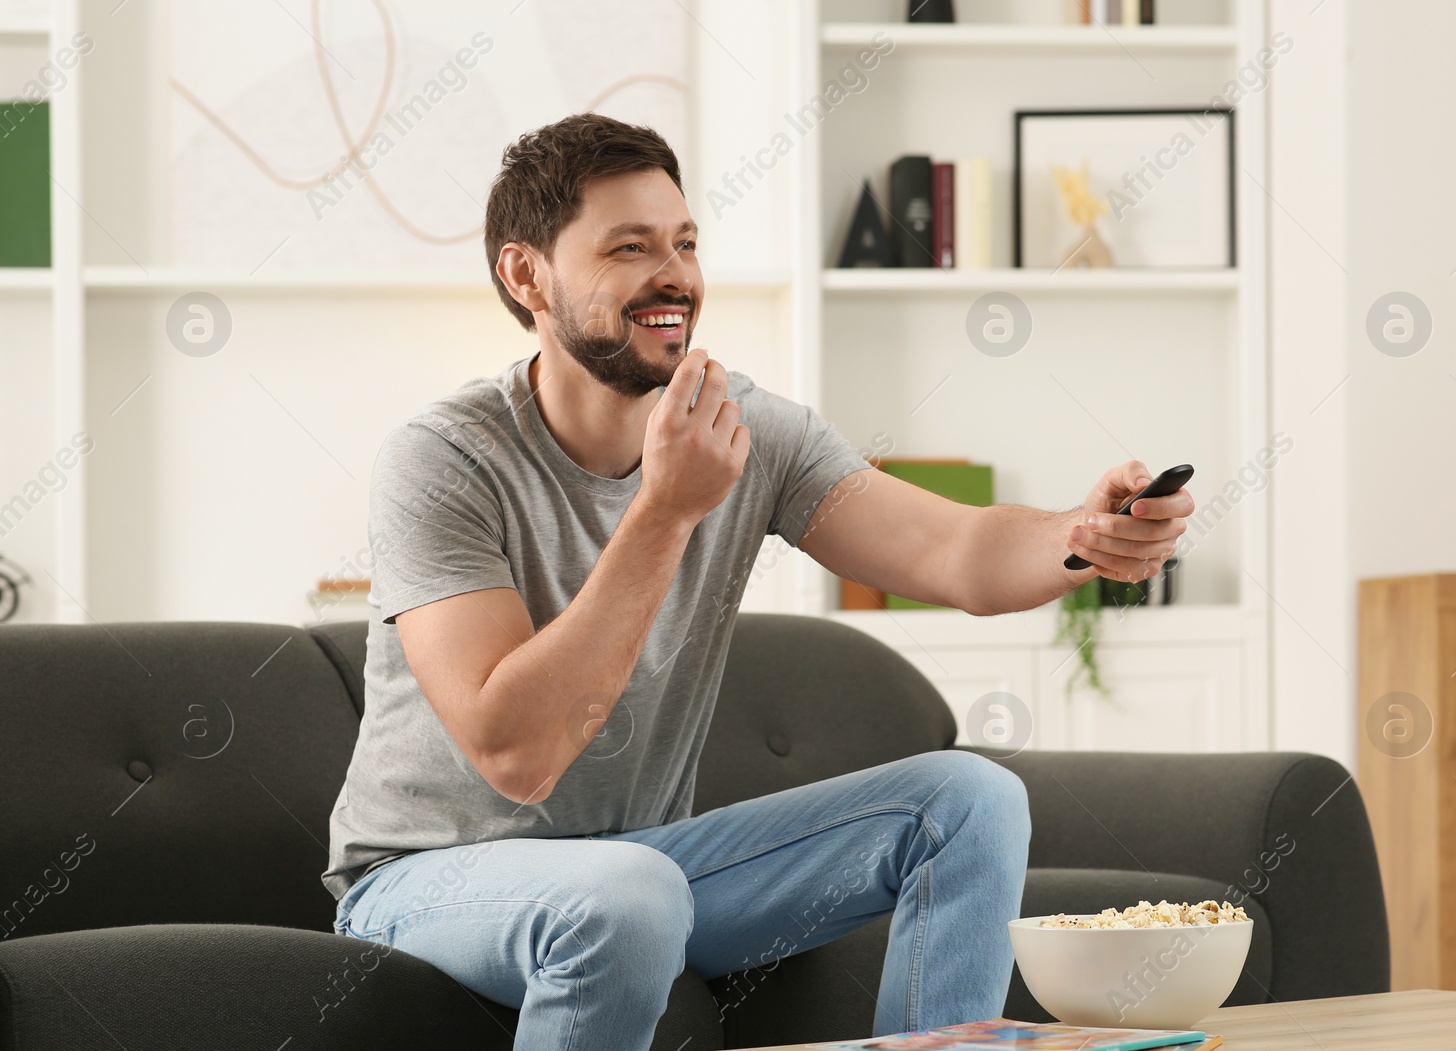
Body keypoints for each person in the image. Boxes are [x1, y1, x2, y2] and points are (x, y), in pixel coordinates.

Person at [323, 113, 1193, 1051]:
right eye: (630, 247)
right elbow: (516, 753)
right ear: (526, 275)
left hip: (636, 864)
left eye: (685, 243)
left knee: (971, 800)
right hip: (426, 881)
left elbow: (957, 555)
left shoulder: (749, 430)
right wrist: (664, 513)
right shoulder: (444, 459)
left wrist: (1083, 534)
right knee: (629, 894)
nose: (676, 276)